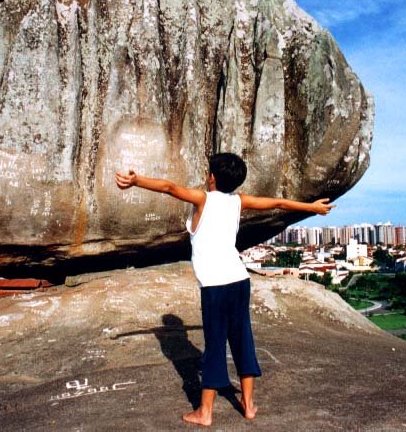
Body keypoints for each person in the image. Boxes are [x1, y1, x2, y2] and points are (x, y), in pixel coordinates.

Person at [115, 152, 335, 426]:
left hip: (215, 285)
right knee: (242, 339)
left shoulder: (203, 198)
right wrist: (311, 208)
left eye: (210, 172)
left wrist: (137, 181)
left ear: (213, 178)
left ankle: (205, 412)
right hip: (239, 280)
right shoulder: (239, 201)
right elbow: (277, 202)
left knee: (215, 344)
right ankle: (249, 405)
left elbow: (170, 188)